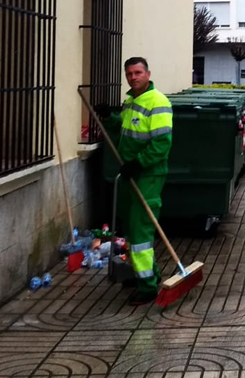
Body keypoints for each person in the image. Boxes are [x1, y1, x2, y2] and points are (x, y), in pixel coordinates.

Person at [95, 57, 173, 306]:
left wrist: (138, 163)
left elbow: (162, 143)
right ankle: (146, 274)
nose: (133, 77)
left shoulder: (158, 102)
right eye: (129, 73)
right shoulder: (131, 101)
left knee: (140, 232)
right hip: (131, 173)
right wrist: (109, 117)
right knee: (131, 229)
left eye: (138, 72)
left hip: (147, 174)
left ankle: (148, 287)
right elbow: (124, 130)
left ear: (148, 74)